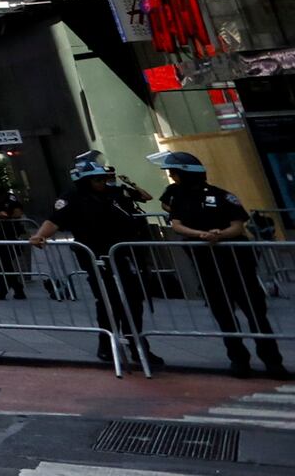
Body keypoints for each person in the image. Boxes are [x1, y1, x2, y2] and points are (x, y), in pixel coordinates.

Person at [155, 149, 287, 378]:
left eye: (174, 173)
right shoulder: (179, 198)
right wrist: (200, 235)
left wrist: (221, 234)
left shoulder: (222, 196)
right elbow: (177, 224)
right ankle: (239, 360)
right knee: (223, 314)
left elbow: (238, 224)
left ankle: (272, 361)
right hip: (206, 263)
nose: (172, 178)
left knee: (255, 312)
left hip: (236, 262)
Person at [32, 154, 157, 372]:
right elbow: (55, 220)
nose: (101, 183)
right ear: (84, 181)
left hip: (123, 252)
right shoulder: (71, 198)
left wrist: (129, 184)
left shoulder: (116, 193)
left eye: (102, 179)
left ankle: (138, 345)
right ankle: (107, 344)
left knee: (134, 299)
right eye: (96, 180)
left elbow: (145, 197)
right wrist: (40, 236)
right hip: (95, 256)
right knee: (108, 300)